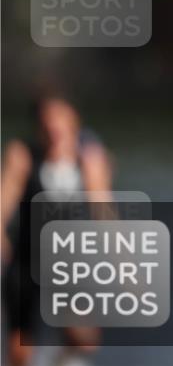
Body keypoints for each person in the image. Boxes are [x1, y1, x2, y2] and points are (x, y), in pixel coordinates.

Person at [1, 94, 113, 366]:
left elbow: (104, 213)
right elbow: (4, 204)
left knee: (84, 338)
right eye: (48, 119)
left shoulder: (89, 157)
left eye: (60, 117)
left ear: (74, 119)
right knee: (20, 351)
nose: (54, 126)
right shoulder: (24, 153)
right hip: (27, 261)